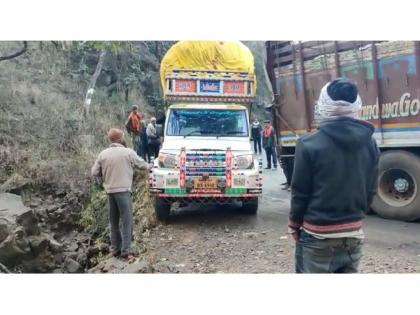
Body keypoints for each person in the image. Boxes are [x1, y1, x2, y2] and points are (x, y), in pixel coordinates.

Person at [288, 78, 379, 273]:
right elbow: (371, 188)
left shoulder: (308, 143)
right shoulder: (370, 142)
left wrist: (294, 225)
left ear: (323, 104)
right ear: (356, 105)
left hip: (317, 236)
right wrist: (354, 216)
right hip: (354, 234)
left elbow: (300, 192)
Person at [91, 128, 150, 259]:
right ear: (119, 139)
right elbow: (142, 165)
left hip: (110, 192)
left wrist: (104, 174)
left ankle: (115, 249)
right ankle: (126, 250)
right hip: (123, 191)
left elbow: (94, 172)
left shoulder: (103, 154)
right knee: (127, 221)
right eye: (123, 136)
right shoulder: (128, 152)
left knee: (114, 222)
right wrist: (152, 166)